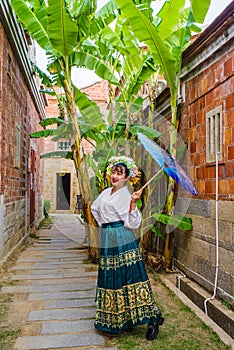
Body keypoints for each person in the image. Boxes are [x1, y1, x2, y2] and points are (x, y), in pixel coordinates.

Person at [91, 156, 164, 340]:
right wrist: (104, 226)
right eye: (114, 172)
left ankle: (153, 318)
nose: (115, 176)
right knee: (112, 276)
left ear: (126, 178)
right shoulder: (106, 192)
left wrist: (133, 203)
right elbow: (94, 209)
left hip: (122, 237)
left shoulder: (127, 195)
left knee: (132, 276)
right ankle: (119, 319)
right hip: (108, 238)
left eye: (119, 173)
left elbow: (134, 222)